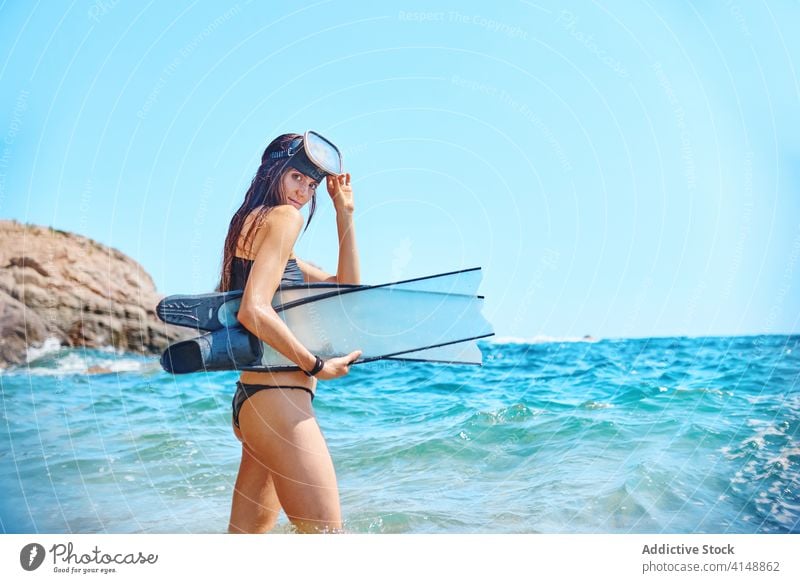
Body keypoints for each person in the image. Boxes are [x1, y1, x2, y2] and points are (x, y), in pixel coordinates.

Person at [218, 131, 362, 534]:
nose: (304, 191)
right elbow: (254, 309)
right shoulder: (283, 219)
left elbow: (346, 290)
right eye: (297, 177)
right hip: (279, 400)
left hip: (255, 402)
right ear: (274, 170)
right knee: (327, 540)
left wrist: (344, 215)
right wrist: (316, 365)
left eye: (312, 184)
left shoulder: (252, 224)